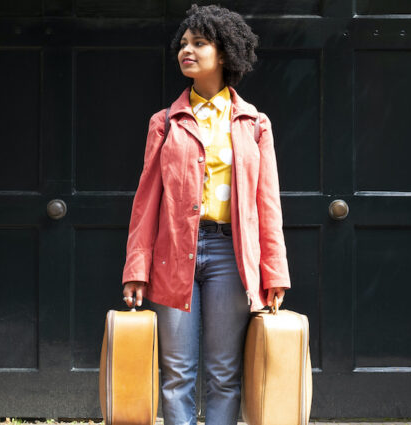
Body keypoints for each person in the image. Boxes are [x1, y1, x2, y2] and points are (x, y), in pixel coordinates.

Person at [120, 4, 291, 425]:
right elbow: (146, 202)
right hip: (173, 254)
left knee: (224, 373)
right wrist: (135, 269)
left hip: (231, 256)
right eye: (183, 44)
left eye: (199, 43)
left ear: (225, 52)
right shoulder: (165, 122)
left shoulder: (254, 124)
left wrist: (275, 274)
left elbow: (268, 205)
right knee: (176, 373)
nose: (187, 51)